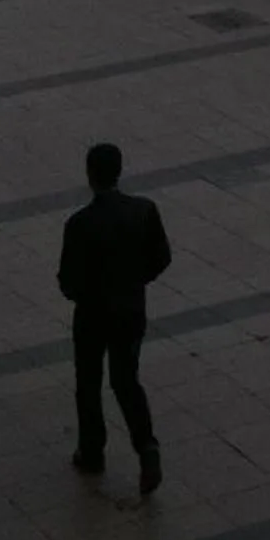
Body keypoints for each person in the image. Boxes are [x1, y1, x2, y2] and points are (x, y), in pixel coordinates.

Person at [57, 142, 171, 496]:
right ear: (119, 171)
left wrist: (84, 294)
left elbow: (68, 280)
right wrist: (135, 282)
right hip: (130, 311)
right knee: (126, 381)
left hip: (92, 315)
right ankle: (146, 447)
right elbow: (161, 257)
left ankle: (92, 452)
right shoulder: (144, 210)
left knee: (88, 382)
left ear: (90, 175)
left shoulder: (80, 224)